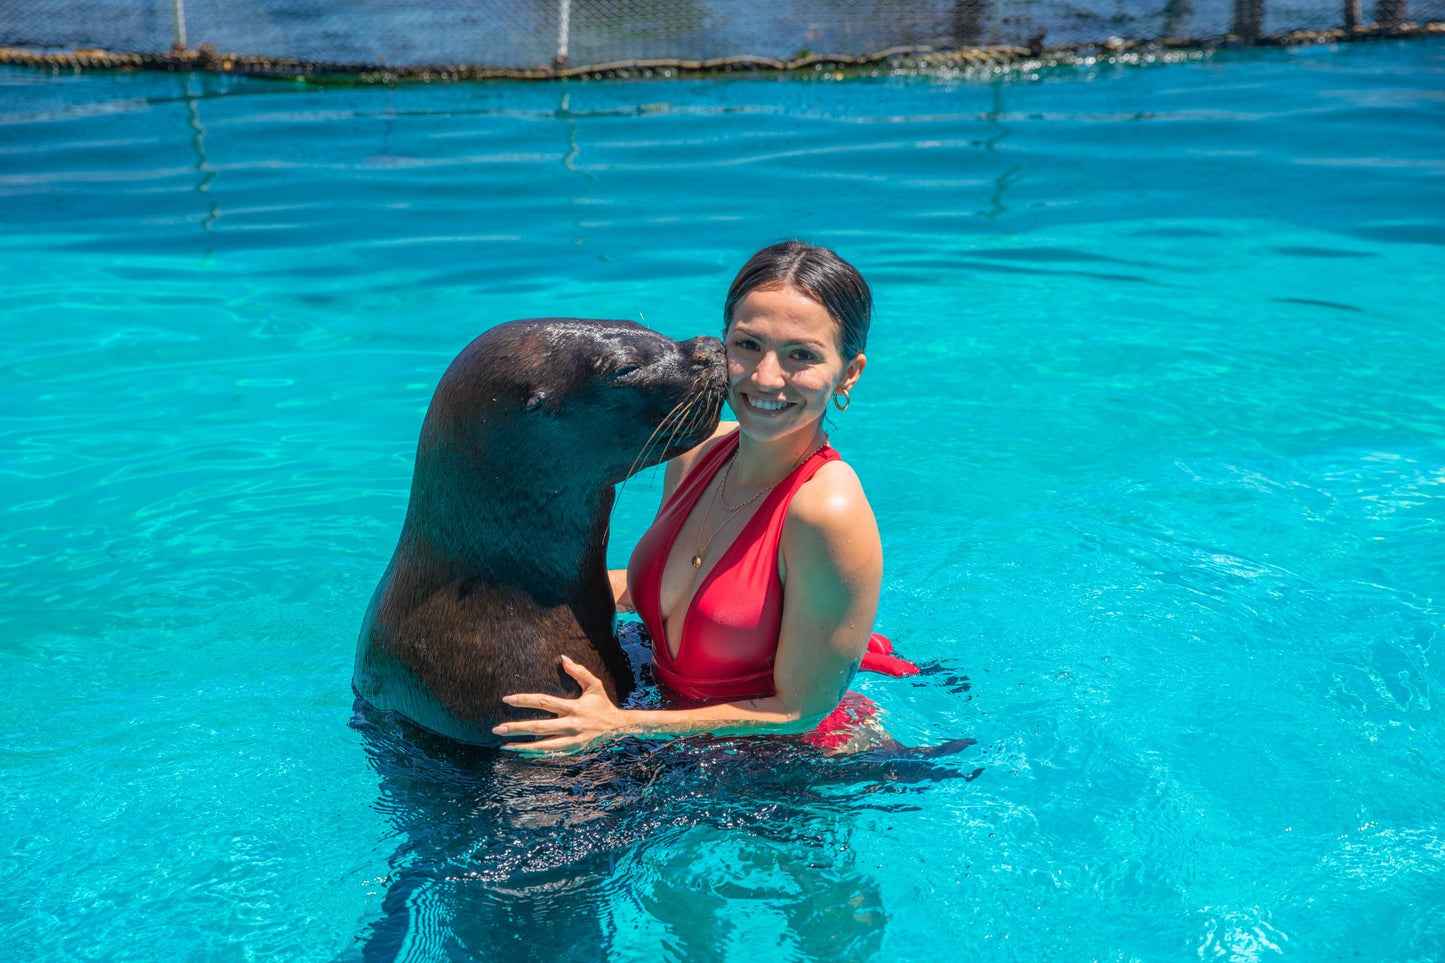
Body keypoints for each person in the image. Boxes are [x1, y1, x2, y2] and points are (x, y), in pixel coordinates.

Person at [494, 240, 890, 754]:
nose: (767, 377)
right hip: (673, 727)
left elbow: (800, 710)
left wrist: (621, 723)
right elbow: (670, 591)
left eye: (802, 356)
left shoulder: (825, 511)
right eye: (748, 345)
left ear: (849, 372)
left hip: (787, 766)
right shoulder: (696, 451)